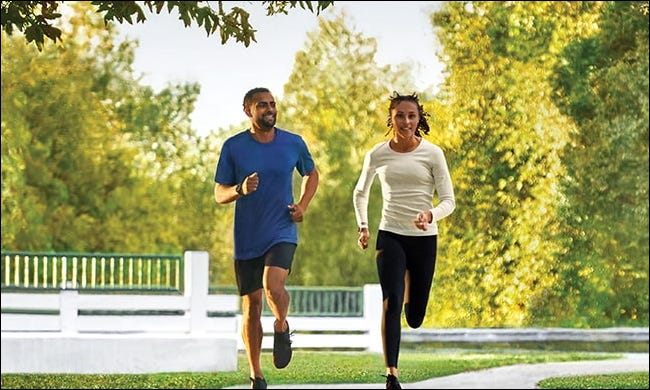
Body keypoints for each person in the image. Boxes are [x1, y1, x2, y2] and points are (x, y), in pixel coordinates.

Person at [214, 87, 319, 389]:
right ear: (248, 110)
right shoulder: (233, 147)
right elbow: (219, 193)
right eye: (263, 105)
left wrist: (302, 205)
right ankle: (256, 374)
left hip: (282, 229)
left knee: (273, 286)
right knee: (252, 306)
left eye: (272, 104)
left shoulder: (293, 143)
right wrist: (240, 189)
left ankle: (282, 326)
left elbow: (311, 174)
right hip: (247, 235)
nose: (270, 109)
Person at [352, 91, 455, 390]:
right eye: (400, 115)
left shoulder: (433, 154)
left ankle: (412, 291)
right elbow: (361, 192)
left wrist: (430, 215)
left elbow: (449, 201)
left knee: (415, 316)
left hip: (423, 239)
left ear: (419, 118)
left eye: (411, 116)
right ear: (391, 118)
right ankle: (391, 373)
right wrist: (363, 226)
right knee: (391, 301)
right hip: (390, 234)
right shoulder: (377, 154)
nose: (406, 121)